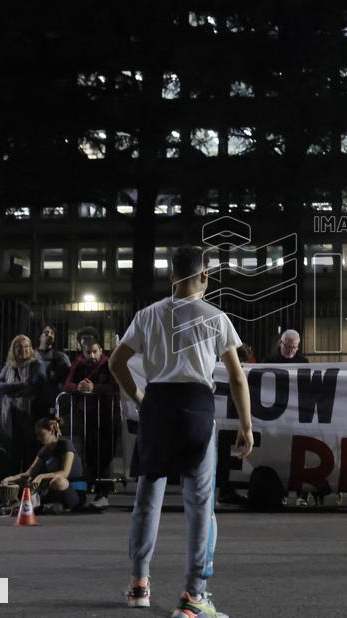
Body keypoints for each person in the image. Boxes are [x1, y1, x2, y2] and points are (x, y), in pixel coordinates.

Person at [108, 245, 253, 615]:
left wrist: (141, 396)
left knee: (147, 498)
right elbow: (237, 376)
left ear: (172, 276)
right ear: (205, 276)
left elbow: (116, 362)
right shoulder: (216, 317)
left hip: (158, 402)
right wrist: (246, 425)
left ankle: (139, 583)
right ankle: (194, 594)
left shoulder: (147, 315)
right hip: (195, 406)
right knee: (201, 504)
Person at [63, 340, 118, 509]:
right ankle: (92, 490)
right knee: (90, 453)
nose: (91, 355)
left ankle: (104, 493)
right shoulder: (79, 365)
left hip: (107, 416)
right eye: (88, 352)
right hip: (86, 416)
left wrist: (95, 388)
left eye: (94, 351)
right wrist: (78, 387)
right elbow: (67, 385)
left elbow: (115, 387)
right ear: (83, 352)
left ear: (101, 350)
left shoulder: (110, 364)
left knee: (106, 453)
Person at [0, 416, 88, 514]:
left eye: (41, 434)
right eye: (37, 435)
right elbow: (28, 473)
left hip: (74, 492)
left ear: (52, 431)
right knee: (29, 482)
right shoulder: (44, 450)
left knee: (58, 481)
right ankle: (33, 506)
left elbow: (65, 473)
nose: (38, 438)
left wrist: (41, 477)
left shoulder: (66, 445)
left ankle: (39, 505)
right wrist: (9, 479)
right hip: (55, 492)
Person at [0, 335, 45, 472]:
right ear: (13, 350)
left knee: (30, 451)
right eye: (19, 347)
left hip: (29, 414)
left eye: (26, 346)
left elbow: (35, 386)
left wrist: (10, 389)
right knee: (14, 451)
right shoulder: (8, 367)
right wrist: (21, 384)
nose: (23, 350)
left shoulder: (37, 365)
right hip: (11, 414)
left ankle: (28, 486)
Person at [34, 324, 71, 422]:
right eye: (46, 332)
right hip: (34, 400)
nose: (49, 335)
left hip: (52, 400)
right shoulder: (31, 355)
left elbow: (69, 377)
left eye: (52, 333)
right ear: (40, 336)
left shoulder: (61, 357)